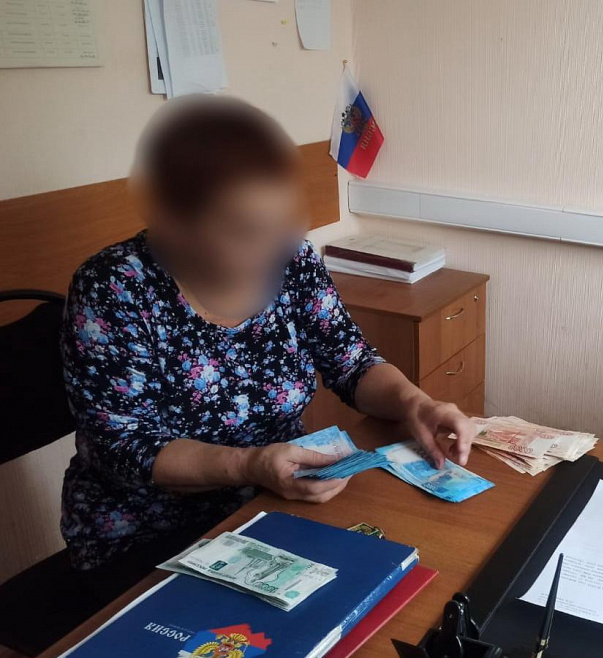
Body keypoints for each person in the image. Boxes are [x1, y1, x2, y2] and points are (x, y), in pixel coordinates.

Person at [60, 96, 475, 593]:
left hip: (275, 502)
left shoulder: (290, 257)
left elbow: (350, 361)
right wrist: (249, 465)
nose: (271, 249)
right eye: (245, 232)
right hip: (151, 536)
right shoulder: (115, 289)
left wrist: (415, 403)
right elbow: (122, 446)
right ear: (177, 224)